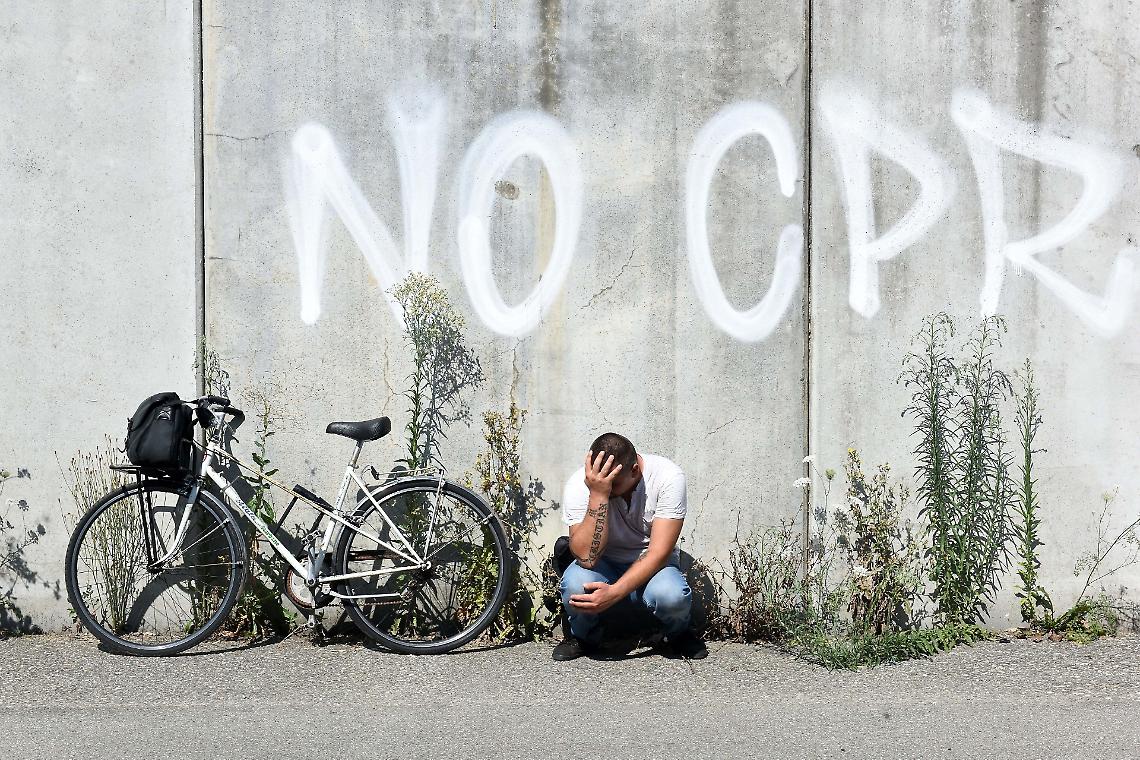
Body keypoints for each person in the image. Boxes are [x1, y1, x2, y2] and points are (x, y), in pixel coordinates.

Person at [553, 432, 707, 661]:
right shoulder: (581, 484)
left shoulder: (667, 477)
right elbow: (586, 558)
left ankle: (677, 635)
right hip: (603, 563)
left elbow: (658, 553)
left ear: (634, 470)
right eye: (600, 481)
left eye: (612, 484)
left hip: (652, 565)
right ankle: (584, 637)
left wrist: (614, 593)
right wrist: (598, 495)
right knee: (574, 584)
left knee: (672, 596)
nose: (606, 486)